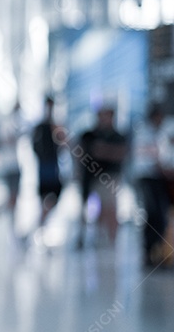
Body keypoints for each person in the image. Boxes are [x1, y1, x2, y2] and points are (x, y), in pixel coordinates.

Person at [76, 106, 129, 249]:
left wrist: (103, 150)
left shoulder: (118, 136)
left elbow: (121, 153)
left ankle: (111, 240)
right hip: (91, 176)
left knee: (110, 208)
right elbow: (80, 153)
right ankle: (95, 237)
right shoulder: (89, 135)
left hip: (109, 176)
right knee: (90, 209)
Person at [132, 103, 171, 268]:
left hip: (159, 179)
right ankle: (148, 253)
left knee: (161, 215)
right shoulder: (143, 133)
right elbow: (152, 156)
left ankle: (160, 252)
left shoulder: (161, 133)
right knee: (152, 214)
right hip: (146, 178)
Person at [0, 103, 24, 233]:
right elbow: (3, 141)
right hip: (9, 166)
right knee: (11, 197)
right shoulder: (6, 124)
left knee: (14, 198)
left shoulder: (16, 122)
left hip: (15, 165)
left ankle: (11, 223)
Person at [32, 96, 64, 235]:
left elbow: (62, 144)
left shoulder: (55, 126)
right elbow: (35, 146)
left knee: (54, 197)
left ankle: (42, 222)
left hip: (54, 167)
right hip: (44, 168)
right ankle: (40, 227)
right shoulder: (40, 127)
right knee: (44, 198)